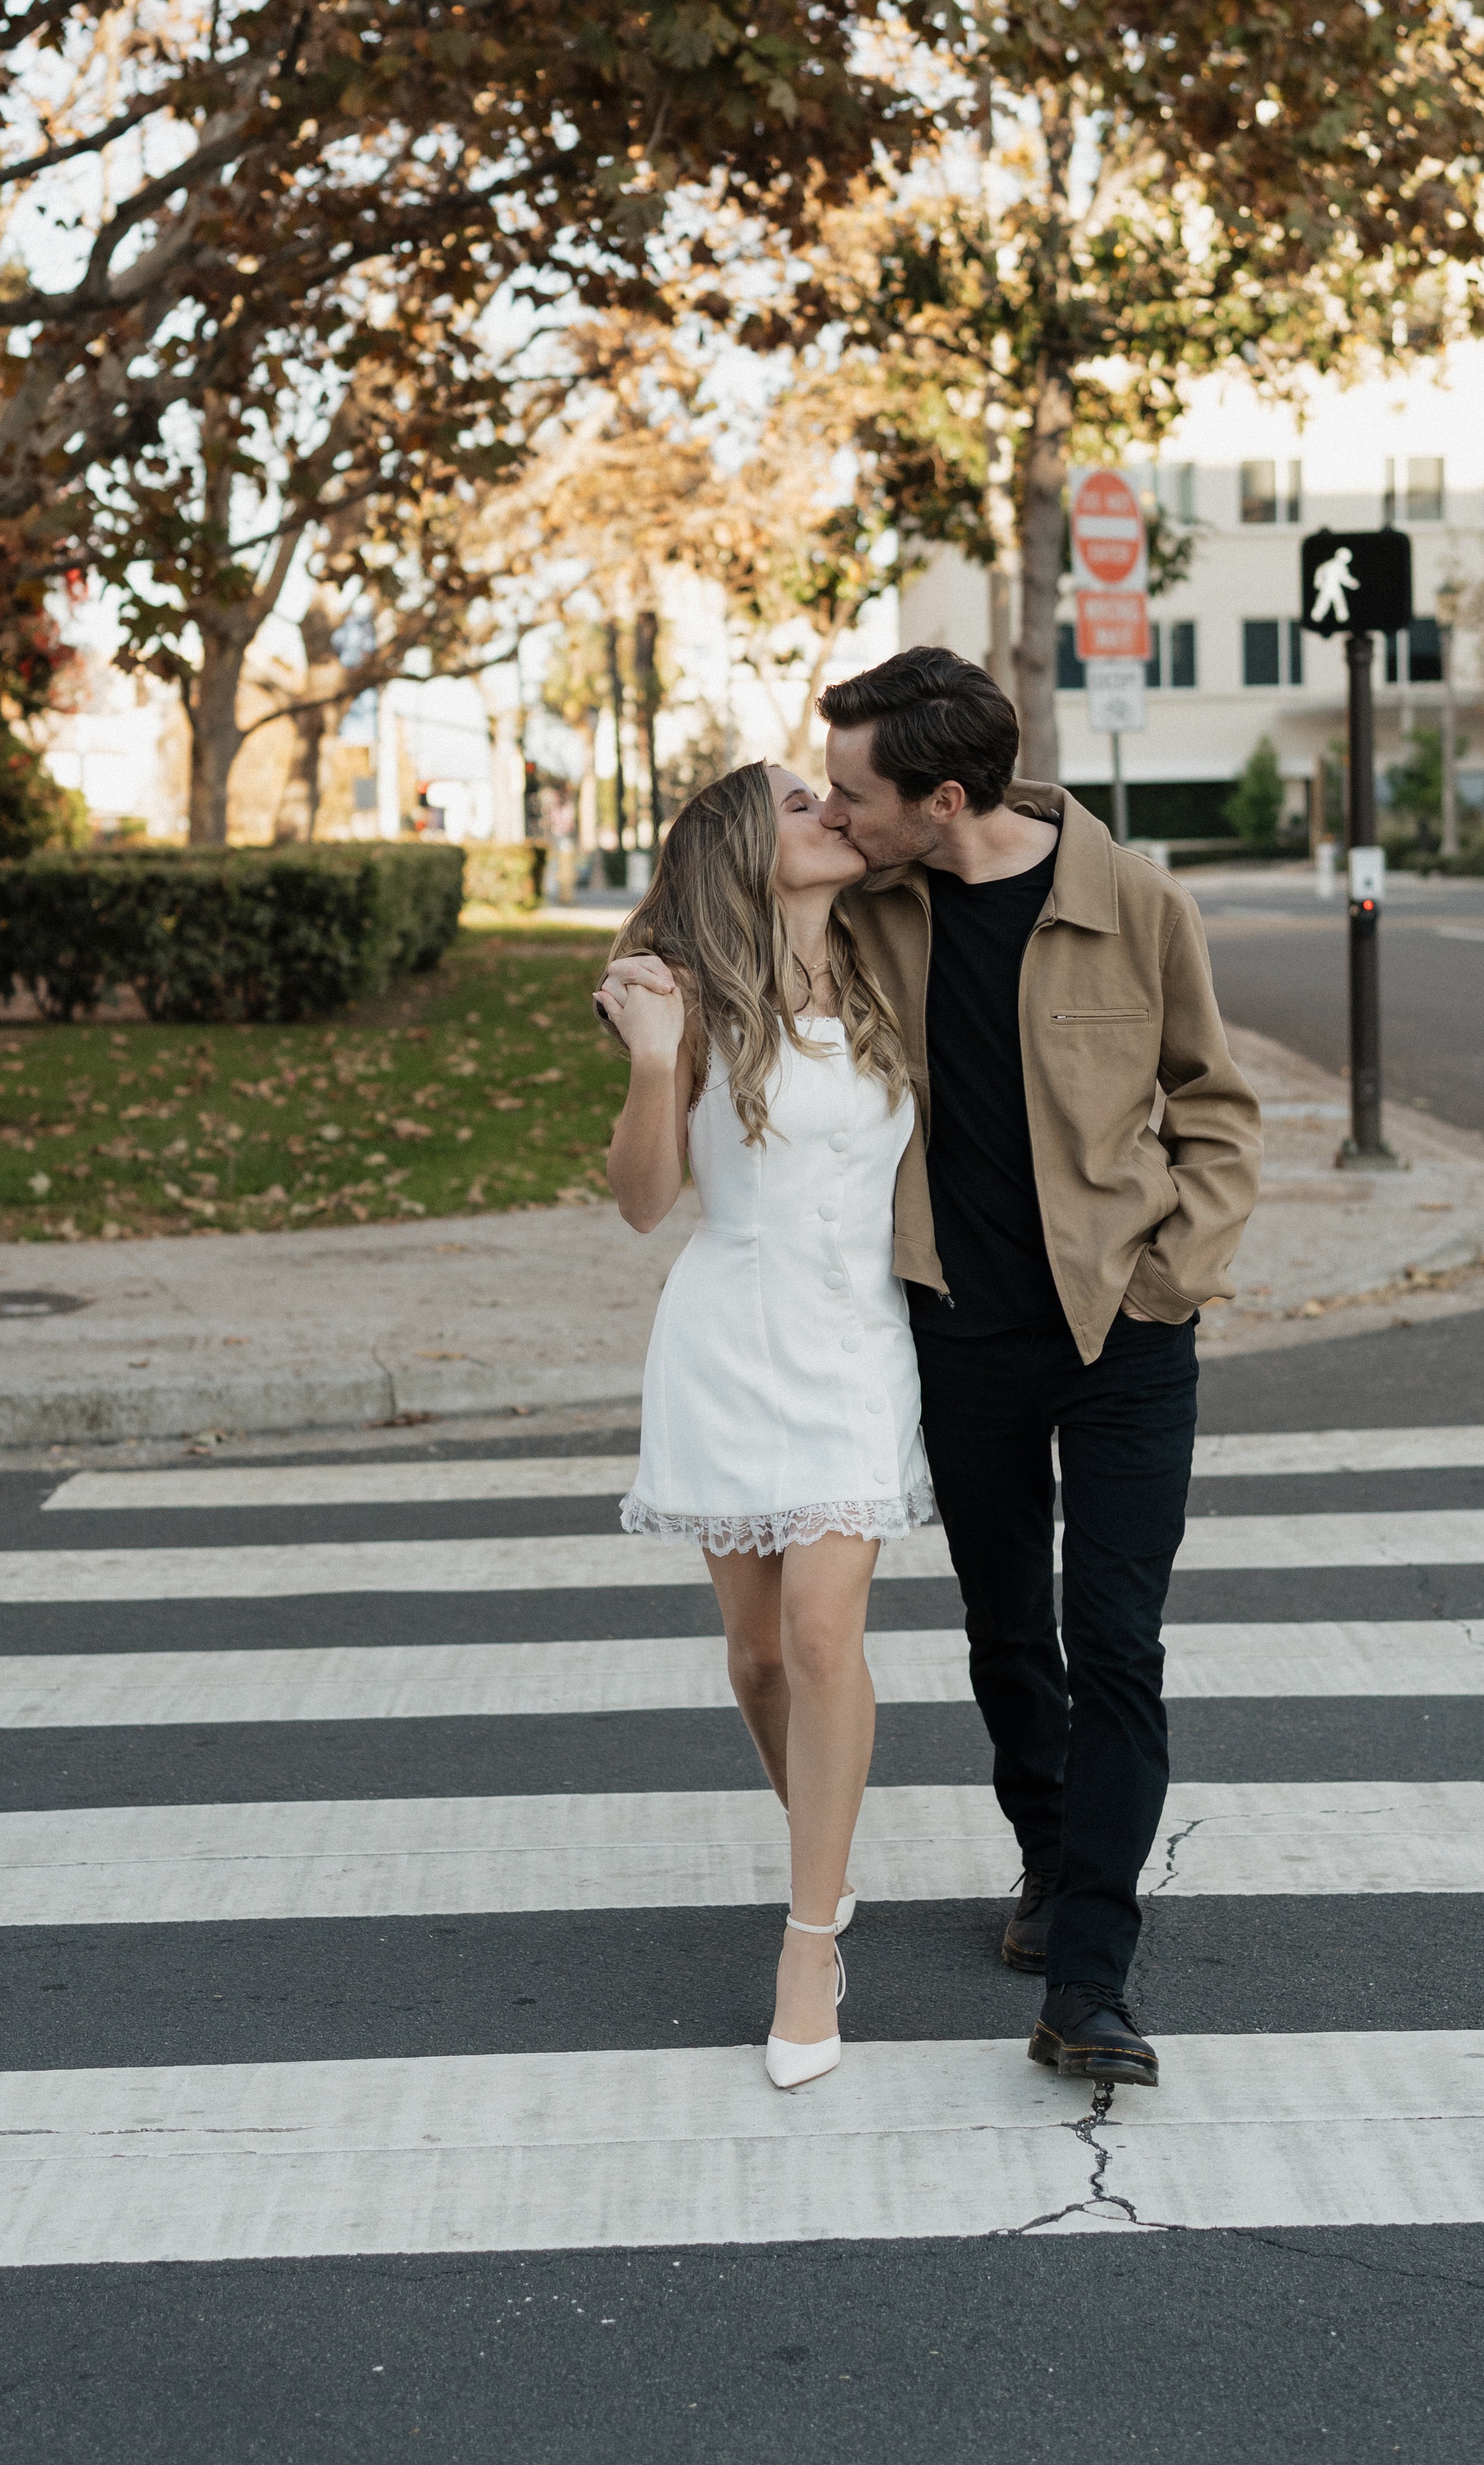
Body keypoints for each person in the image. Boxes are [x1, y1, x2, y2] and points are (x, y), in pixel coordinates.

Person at [819, 645, 1261, 2090]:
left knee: (1116, 1646)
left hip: (1124, 1340)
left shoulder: (1132, 905)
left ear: (942, 797)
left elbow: (1217, 1104)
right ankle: (1045, 1858)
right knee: (1009, 1630)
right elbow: (708, 934)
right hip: (960, 1336)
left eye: (857, 793)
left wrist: (1169, 1279)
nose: (839, 815)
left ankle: (1091, 1975)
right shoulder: (868, 904)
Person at [595, 760, 933, 2092]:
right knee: (753, 1664)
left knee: (818, 1634)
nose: (833, 813)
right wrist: (649, 1062)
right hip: (726, 1341)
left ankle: (808, 1944)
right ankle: (825, 1838)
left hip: (855, 1345)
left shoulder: (888, 969)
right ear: (746, 849)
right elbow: (639, 1203)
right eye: (802, 803)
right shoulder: (682, 998)